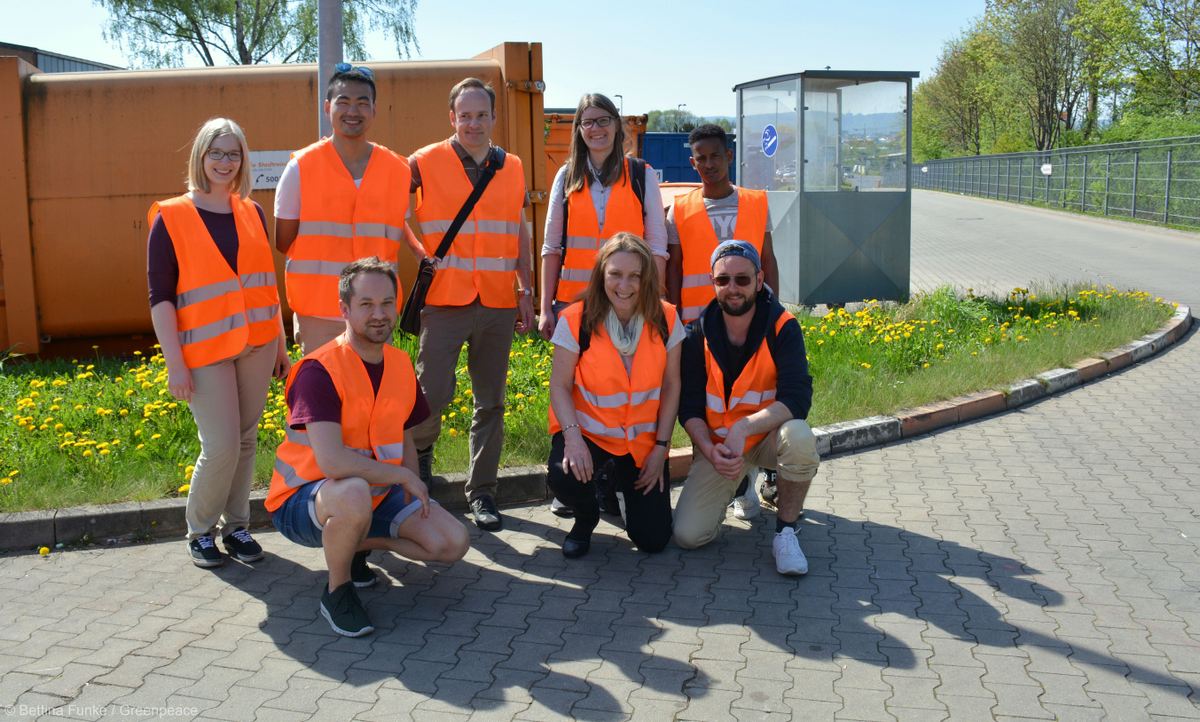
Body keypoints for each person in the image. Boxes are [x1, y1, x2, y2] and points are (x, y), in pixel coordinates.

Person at [266, 257, 470, 638]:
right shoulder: (318, 369)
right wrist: (402, 477)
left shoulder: (400, 363)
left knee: (452, 542)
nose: (379, 314)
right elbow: (331, 461)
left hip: (369, 496)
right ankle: (338, 591)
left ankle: (354, 543)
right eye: (366, 305)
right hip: (302, 501)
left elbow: (405, 435)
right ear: (344, 309)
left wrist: (411, 487)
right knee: (353, 492)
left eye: (387, 303)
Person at [147, 117, 290, 568]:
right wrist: (175, 365)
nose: (225, 162)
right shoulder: (171, 216)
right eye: (217, 153)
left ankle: (237, 527)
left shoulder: (251, 211)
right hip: (204, 350)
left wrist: (281, 342)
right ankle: (200, 531)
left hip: (258, 343)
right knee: (222, 444)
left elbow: (265, 285)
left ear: (243, 160)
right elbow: (161, 299)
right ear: (200, 156)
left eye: (233, 154)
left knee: (246, 441)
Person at [406, 77, 536, 531]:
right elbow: (394, 213)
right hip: (444, 299)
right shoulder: (423, 162)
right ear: (452, 117)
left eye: (482, 115)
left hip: (498, 300)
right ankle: (419, 468)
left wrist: (526, 289)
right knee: (431, 393)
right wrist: (420, 254)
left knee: (491, 402)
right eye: (465, 115)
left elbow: (519, 228)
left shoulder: (512, 166)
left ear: (494, 118)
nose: (474, 123)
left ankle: (482, 492)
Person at [539, 93, 669, 519]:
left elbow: (656, 246)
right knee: (573, 387)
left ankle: (612, 479)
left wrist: (657, 304)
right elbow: (551, 246)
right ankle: (573, 484)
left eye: (603, 120)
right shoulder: (566, 176)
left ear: (617, 125)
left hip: (628, 301)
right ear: (578, 130)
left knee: (620, 389)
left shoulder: (640, 174)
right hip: (576, 305)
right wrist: (545, 306)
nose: (595, 129)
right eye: (586, 122)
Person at [672, 241, 820, 576]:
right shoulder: (696, 333)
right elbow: (690, 407)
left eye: (742, 279)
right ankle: (740, 483)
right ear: (713, 282)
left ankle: (785, 532)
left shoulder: (783, 327)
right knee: (687, 535)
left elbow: (797, 399)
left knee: (798, 436)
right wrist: (709, 450)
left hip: (766, 439)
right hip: (722, 448)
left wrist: (743, 428)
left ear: (759, 278)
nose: (733, 288)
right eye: (723, 280)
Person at [666, 123, 783, 519]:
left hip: (752, 321)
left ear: (729, 156)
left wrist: (774, 313)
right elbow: (674, 270)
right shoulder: (678, 209)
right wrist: (674, 322)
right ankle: (729, 480)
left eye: (716, 156)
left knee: (759, 395)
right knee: (711, 406)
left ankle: (761, 477)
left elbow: (767, 261)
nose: (709, 164)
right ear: (692, 161)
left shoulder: (755, 202)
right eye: (701, 158)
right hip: (700, 331)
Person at [546, 233, 680, 558]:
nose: (625, 285)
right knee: (563, 475)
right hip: (591, 436)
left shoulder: (666, 318)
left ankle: (612, 487)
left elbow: (672, 385)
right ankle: (586, 516)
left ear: (646, 278)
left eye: (635, 275)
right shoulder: (576, 319)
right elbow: (559, 386)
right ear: (601, 274)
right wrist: (573, 439)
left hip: (642, 444)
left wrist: (661, 448)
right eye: (616, 274)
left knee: (653, 539)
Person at [274, 64, 421, 353]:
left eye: (362, 103)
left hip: (377, 313)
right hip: (319, 313)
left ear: (374, 110)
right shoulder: (300, 168)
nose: (352, 111)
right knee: (324, 394)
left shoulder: (397, 169)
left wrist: (419, 251)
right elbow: (283, 241)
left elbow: (396, 225)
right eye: (343, 102)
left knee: (371, 394)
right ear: (327, 107)